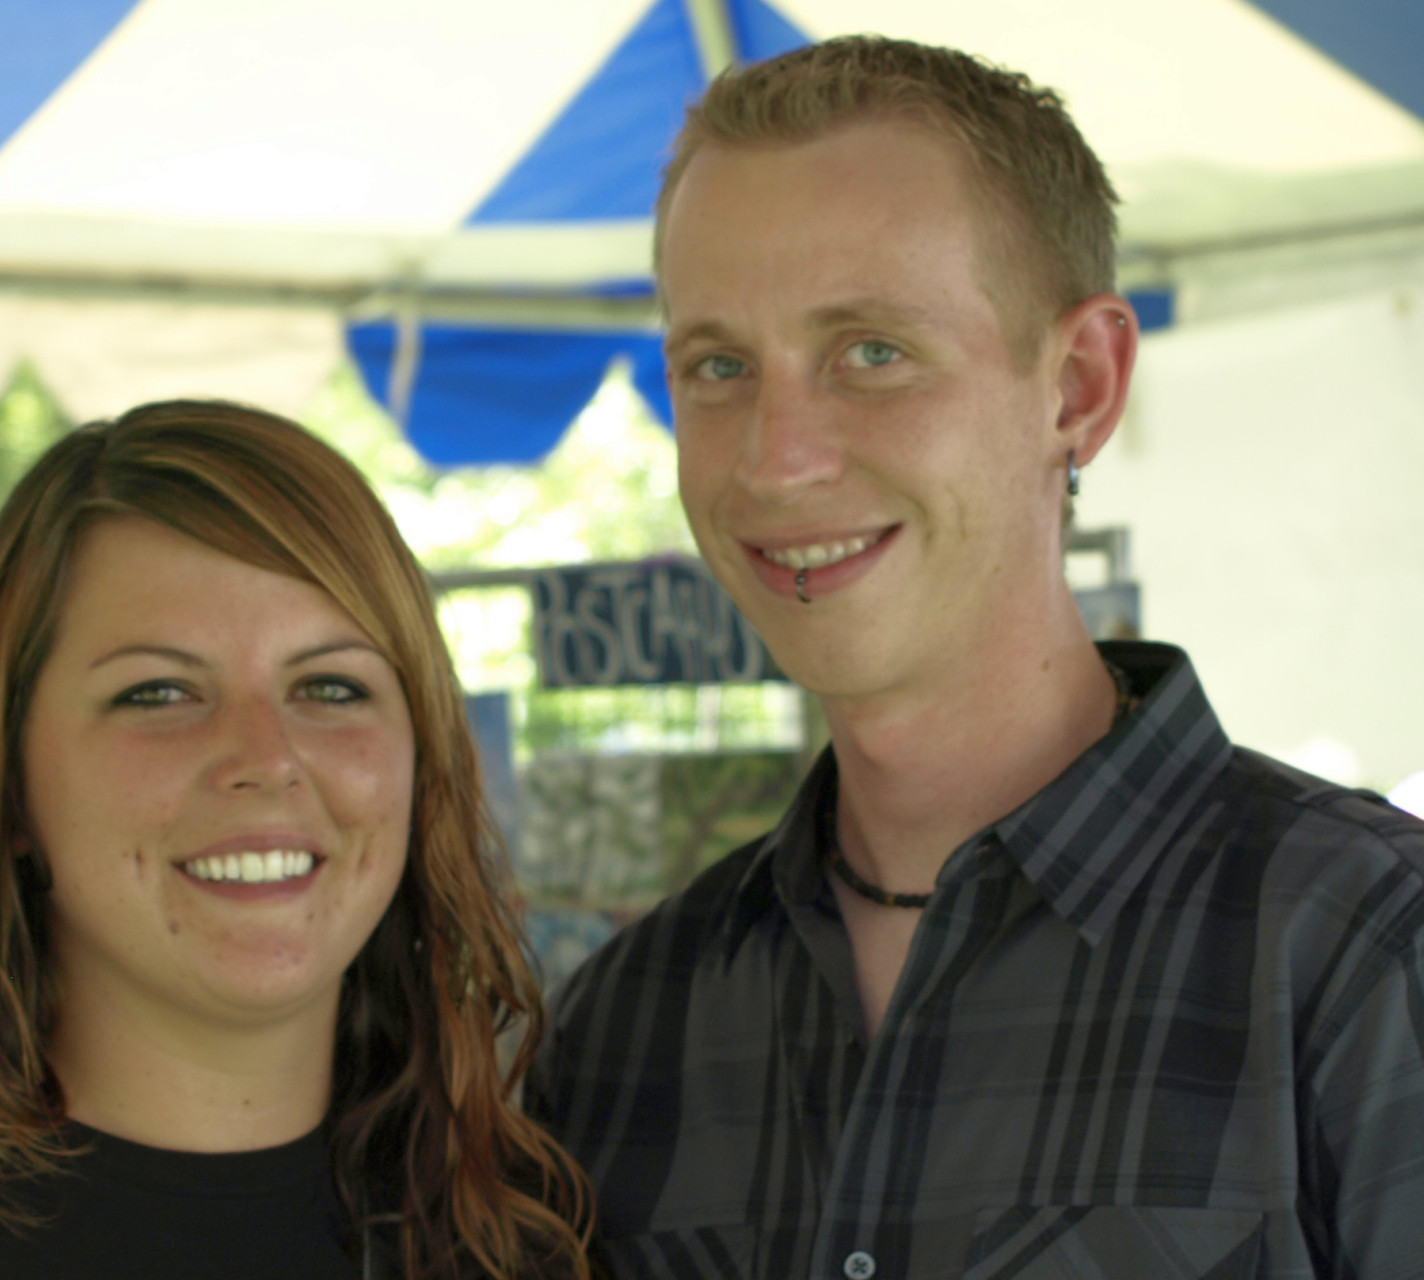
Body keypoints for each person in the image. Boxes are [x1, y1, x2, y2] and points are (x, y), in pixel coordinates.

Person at [527, 36, 1424, 1279]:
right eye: (718, 366)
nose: (775, 458)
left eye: (872, 351)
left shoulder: (1370, 949)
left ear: (1079, 387)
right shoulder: (624, 1022)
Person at [0, 400, 595, 1279]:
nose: (266, 756)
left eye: (331, 686)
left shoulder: (520, 1236)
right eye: (158, 692)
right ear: (5, 787)